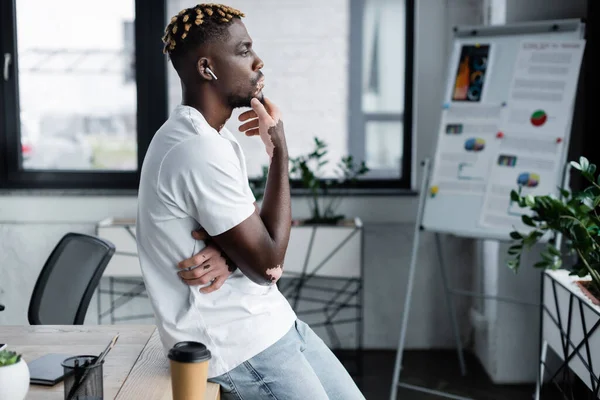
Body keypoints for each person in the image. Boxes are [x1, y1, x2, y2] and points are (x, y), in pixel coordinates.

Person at [135, 3, 365, 400]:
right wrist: (279, 151)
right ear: (207, 69)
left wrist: (232, 253)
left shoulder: (212, 140)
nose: (258, 62)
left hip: (272, 322)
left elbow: (256, 246)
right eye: (243, 51)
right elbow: (270, 264)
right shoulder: (196, 149)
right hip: (239, 344)